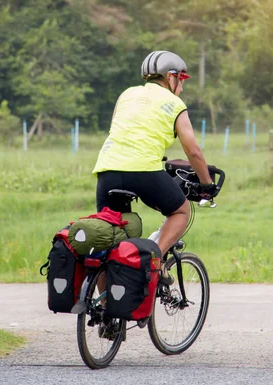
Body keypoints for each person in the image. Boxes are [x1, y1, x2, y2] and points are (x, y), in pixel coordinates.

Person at [92, 50, 218, 272]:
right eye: (182, 78)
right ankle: (153, 263)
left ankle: (102, 303)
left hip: (107, 169)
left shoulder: (126, 95)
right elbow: (193, 151)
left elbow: (120, 130)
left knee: (109, 239)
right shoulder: (174, 103)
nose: (182, 86)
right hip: (143, 169)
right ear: (170, 76)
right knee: (181, 211)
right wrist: (207, 184)